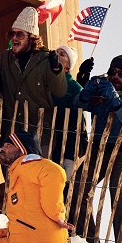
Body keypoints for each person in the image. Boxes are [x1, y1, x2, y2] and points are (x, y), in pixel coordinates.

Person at [69, 55, 122, 243]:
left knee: (118, 193)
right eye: (113, 71)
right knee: (78, 189)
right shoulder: (101, 84)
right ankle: (89, 241)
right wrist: (85, 93)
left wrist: (115, 100)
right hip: (98, 146)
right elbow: (77, 105)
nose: (115, 76)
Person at [0, 7, 67, 150]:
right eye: (12, 34)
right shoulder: (4, 59)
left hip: (39, 137)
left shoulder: (45, 60)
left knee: (37, 172)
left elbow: (60, 91)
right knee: (12, 172)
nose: (14, 38)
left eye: (20, 34)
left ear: (31, 37)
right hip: (12, 135)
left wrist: (56, 70)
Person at [51, 45, 87, 179]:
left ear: (68, 65)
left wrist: (72, 154)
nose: (57, 56)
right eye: (56, 53)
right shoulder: (46, 81)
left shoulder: (74, 88)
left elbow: (79, 123)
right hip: (45, 137)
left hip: (64, 143)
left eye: (62, 54)